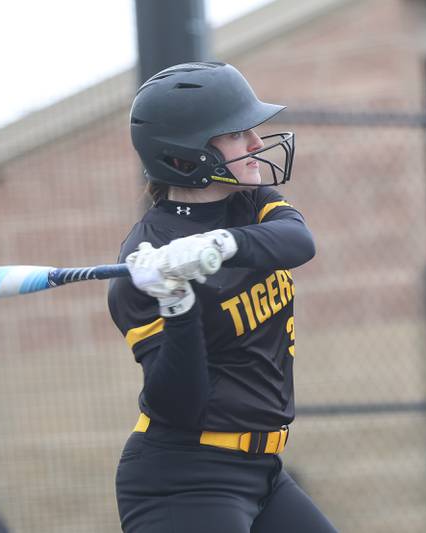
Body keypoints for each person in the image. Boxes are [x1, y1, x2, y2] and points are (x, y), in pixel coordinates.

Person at [107, 62, 336, 532]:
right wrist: (177, 305)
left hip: (264, 472)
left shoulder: (249, 202)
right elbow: (179, 404)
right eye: (236, 134)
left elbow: (299, 242)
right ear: (186, 156)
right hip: (184, 479)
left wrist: (220, 244)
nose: (255, 143)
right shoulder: (144, 260)